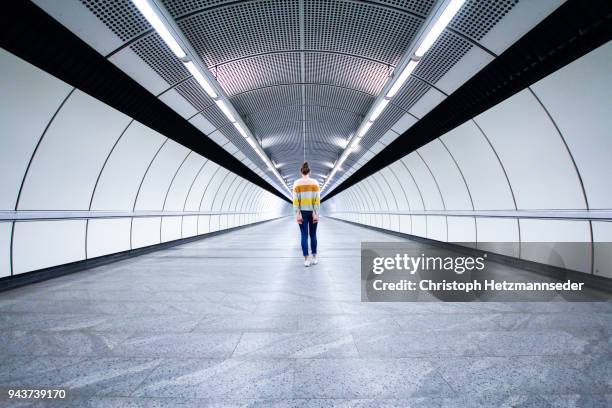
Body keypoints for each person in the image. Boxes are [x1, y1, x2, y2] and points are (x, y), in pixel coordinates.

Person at [293, 162, 320, 267]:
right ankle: (314, 257)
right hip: (313, 211)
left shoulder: (296, 183)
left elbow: (295, 200)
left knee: (304, 236)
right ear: (310, 171)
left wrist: (297, 213)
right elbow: (317, 200)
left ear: (301, 171)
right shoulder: (315, 183)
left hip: (302, 212)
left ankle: (306, 260)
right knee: (313, 235)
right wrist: (316, 212)